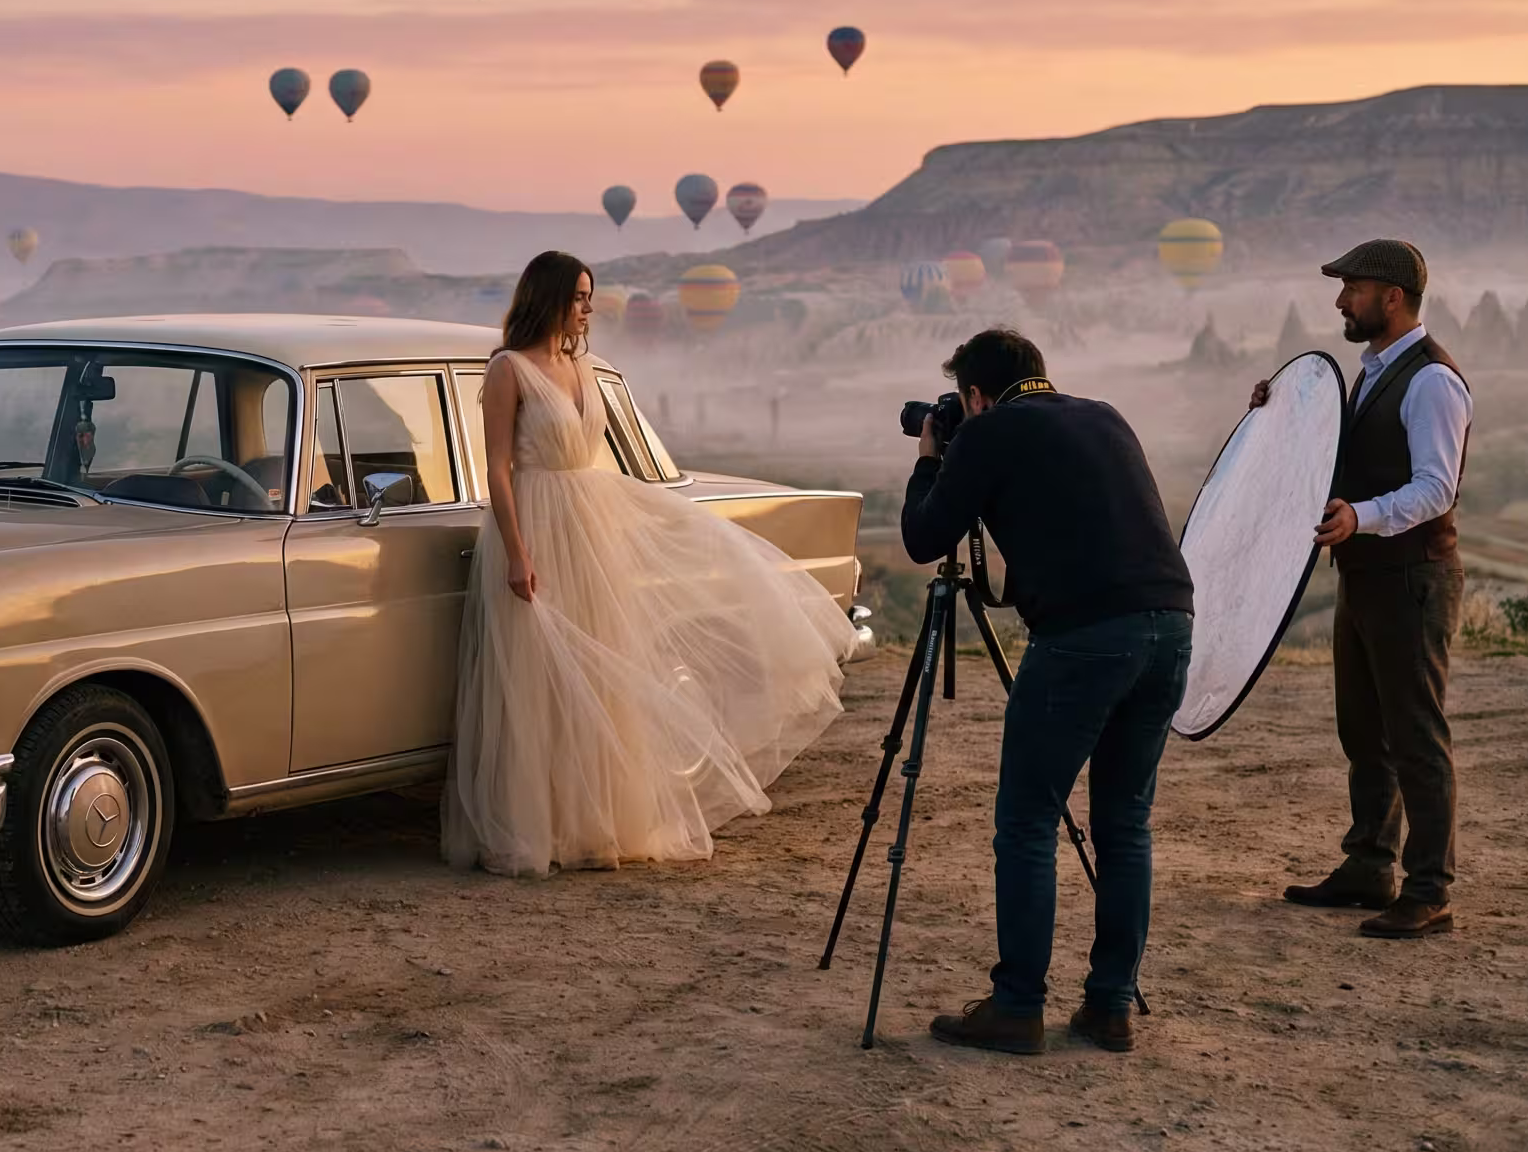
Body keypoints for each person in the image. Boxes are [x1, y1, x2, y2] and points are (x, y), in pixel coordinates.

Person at [442, 251, 855, 877]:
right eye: (577, 295)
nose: (587, 307)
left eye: (590, 295)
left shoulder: (583, 367)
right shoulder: (508, 369)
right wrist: (518, 553)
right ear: (547, 297)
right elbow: (496, 467)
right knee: (538, 679)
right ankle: (538, 825)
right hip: (535, 524)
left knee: (607, 673)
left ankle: (597, 821)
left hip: (591, 523)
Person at [900, 329, 1194, 1056]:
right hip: (1172, 623)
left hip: (1084, 637)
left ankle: (1017, 1006)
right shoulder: (1104, 414)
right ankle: (1110, 1006)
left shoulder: (988, 432)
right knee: (1125, 823)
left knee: (1028, 821)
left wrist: (931, 458)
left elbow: (920, 536)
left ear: (975, 394)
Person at [1255, 239, 1468, 939]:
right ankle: (1370, 866)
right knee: (1364, 731)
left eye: (1352, 288)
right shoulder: (1372, 370)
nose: (1341, 301)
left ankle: (1429, 887)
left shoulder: (1432, 380)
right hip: (1368, 574)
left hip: (1411, 578)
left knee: (1415, 736)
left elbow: (1436, 489)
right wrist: (1277, 409)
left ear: (1393, 297)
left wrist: (1362, 517)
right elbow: (1341, 453)